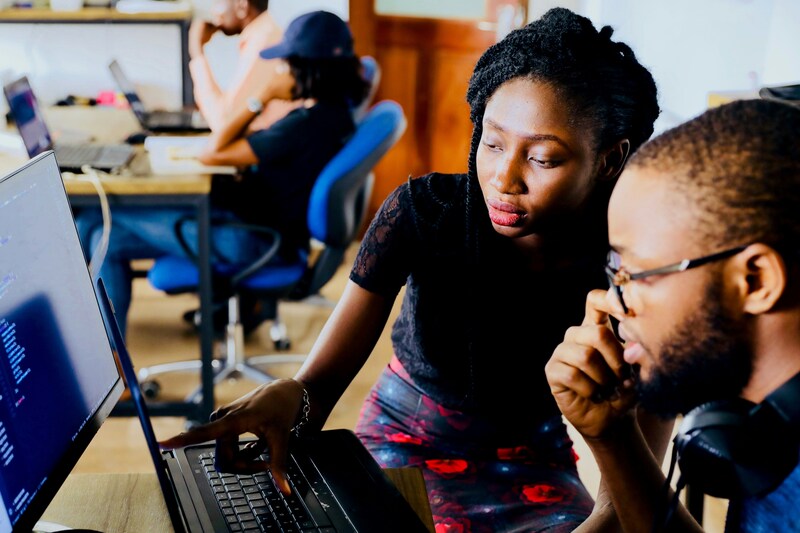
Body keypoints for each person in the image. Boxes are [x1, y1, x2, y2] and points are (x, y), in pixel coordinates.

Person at [161, 8, 661, 532]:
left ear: (609, 159)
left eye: (542, 158)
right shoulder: (425, 214)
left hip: (532, 457)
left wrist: (601, 521)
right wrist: (293, 396)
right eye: (492, 143)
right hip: (403, 435)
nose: (503, 177)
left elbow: (624, 497)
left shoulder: (637, 265)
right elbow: (317, 386)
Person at [544, 99, 800, 532]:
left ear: (755, 281)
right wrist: (614, 437)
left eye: (635, 272)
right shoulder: (762, 426)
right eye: (613, 270)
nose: (610, 301)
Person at [77, 11, 368, 337]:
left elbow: (212, 151)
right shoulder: (336, 115)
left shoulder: (303, 126)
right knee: (96, 228)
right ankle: (111, 357)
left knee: (97, 226)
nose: (279, 70)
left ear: (306, 68)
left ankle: (112, 361)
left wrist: (261, 98)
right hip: (261, 229)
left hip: (250, 240)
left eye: (285, 63)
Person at [189, 0, 295, 132]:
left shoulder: (262, 43)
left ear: (242, 6)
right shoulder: (264, 34)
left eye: (217, 2)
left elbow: (224, 123)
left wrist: (196, 51)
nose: (213, 11)